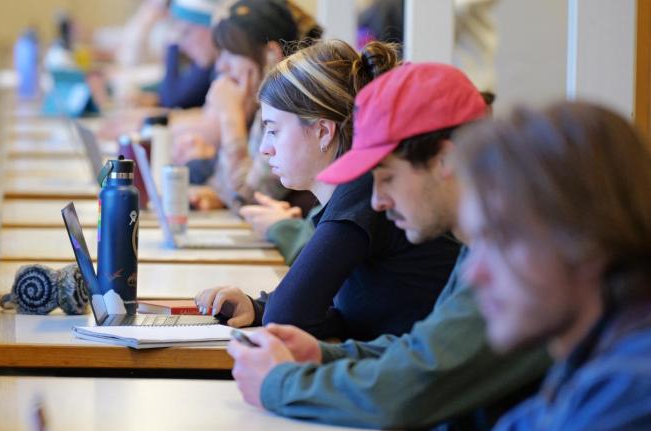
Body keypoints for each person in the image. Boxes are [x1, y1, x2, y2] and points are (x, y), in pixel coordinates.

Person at [225, 62, 551, 430]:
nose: (377, 201)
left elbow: (408, 392)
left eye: (388, 178)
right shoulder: (485, 241)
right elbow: (422, 348)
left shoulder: (517, 257)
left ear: (445, 160)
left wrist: (278, 384)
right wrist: (322, 354)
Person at [195, 40, 461, 341]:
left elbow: (287, 318)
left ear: (323, 131)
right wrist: (257, 308)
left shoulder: (362, 192)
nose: (266, 149)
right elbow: (347, 314)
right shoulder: (354, 193)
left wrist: (270, 310)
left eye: (274, 130)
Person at [453, 102, 651, 430]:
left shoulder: (630, 387)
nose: (473, 274)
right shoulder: (590, 360)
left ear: (589, 237)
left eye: (502, 240)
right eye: (477, 243)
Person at [188, 0, 319, 211]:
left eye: (231, 52)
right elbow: (232, 190)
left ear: (271, 54)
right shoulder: (265, 107)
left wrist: (231, 117)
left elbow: (247, 199)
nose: (221, 65)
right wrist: (218, 195)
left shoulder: (290, 108)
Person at [159, 0, 221, 109]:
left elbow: (172, 99)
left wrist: (172, 46)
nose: (182, 46)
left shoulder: (225, 66)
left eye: (186, 33)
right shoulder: (209, 61)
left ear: (211, 27)